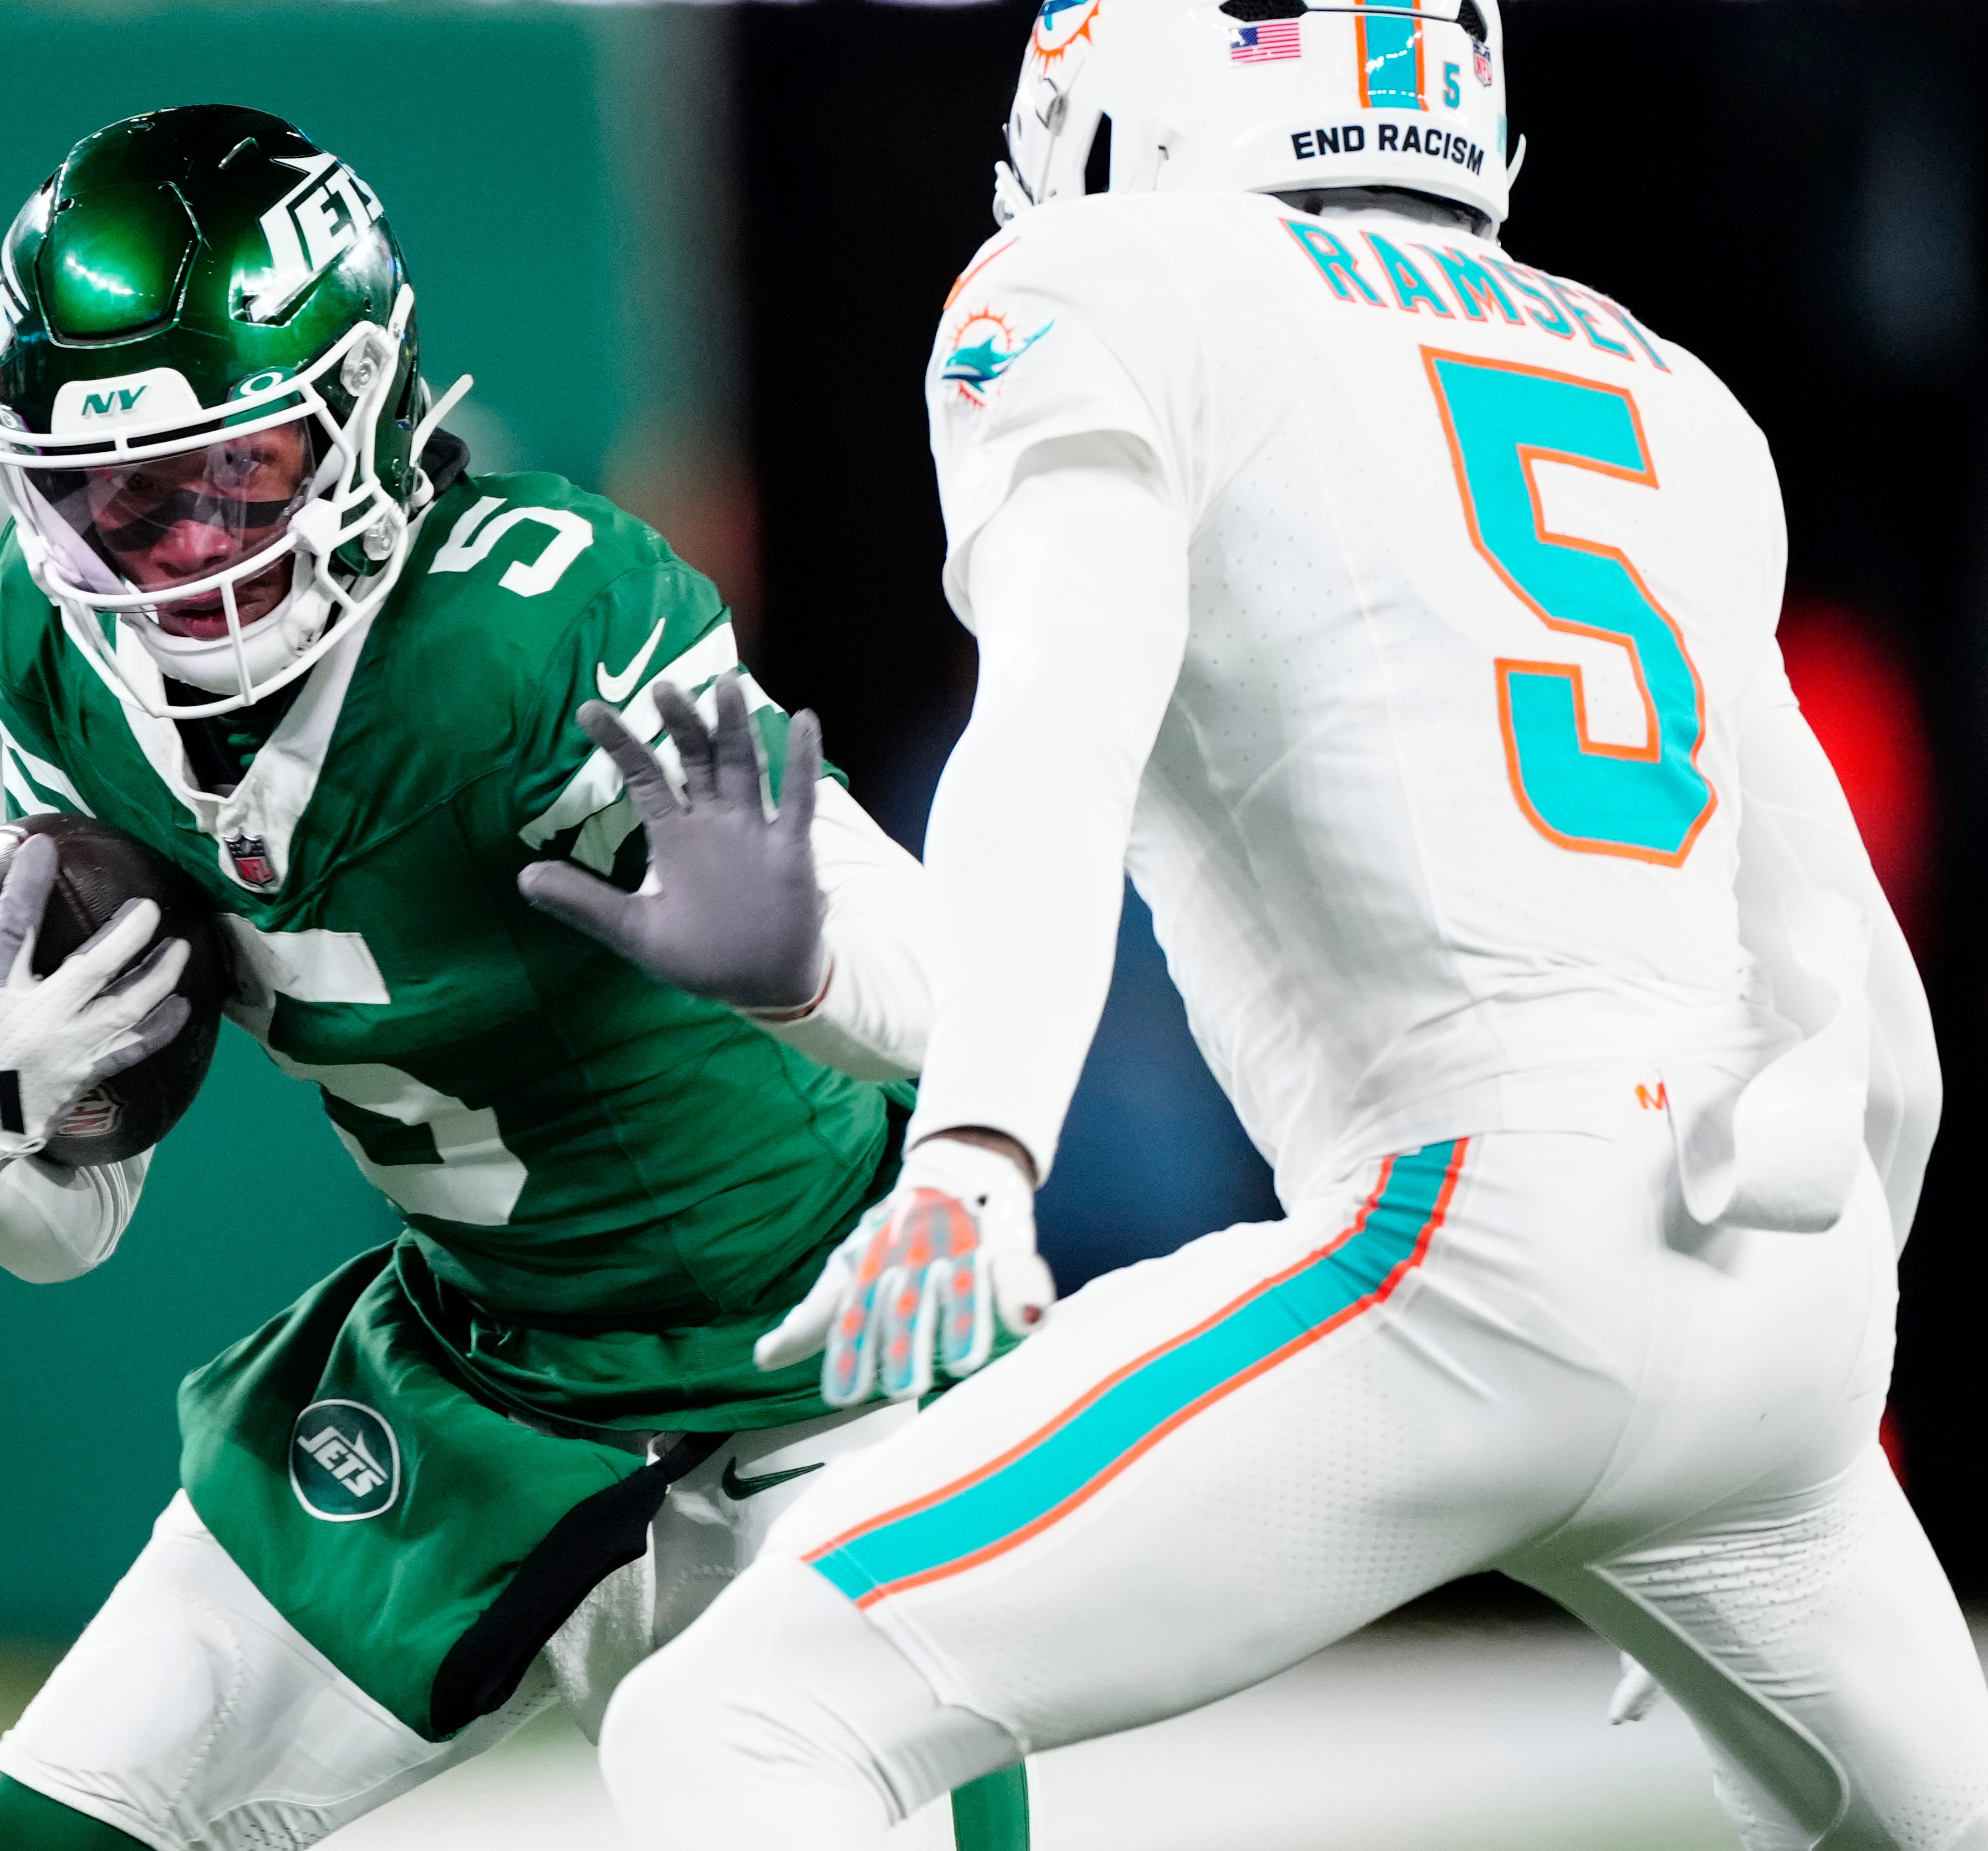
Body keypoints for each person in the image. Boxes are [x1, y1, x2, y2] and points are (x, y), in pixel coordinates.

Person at [579, 2, 1988, 1845]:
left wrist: (977, 1147)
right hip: (1775, 1303)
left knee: (729, 1729)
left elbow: (1055, 728)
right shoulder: (1665, 390)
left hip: (1470, 1248)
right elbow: (1860, 1003)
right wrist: (1746, 1446)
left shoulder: (1112, 280)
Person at [0, 105, 1008, 1851]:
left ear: (367, 415)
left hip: (815, 1387)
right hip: (482, 1372)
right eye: (117, 495)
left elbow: (970, 992)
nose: (176, 551)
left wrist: (800, 963)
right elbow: (70, 1224)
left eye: (232, 474)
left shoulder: (526, 624)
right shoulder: (57, 653)